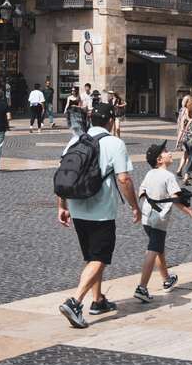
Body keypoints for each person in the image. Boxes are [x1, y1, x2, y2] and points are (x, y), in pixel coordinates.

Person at [57, 102, 141, 329]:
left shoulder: (75, 140)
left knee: (92, 256)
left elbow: (65, 173)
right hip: (101, 210)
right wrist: (135, 206)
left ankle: (98, 300)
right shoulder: (115, 143)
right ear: (111, 121)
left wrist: (61, 206)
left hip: (76, 206)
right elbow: (124, 179)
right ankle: (75, 302)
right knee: (100, 257)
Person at [134, 141, 192, 303]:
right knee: (153, 249)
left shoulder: (149, 174)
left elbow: (141, 192)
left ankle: (166, 279)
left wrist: (152, 200)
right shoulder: (169, 177)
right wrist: (191, 213)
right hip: (159, 219)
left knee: (158, 248)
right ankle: (142, 287)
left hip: (147, 217)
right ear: (159, 160)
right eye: (165, 151)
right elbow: (177, 200)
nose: (170, 152)